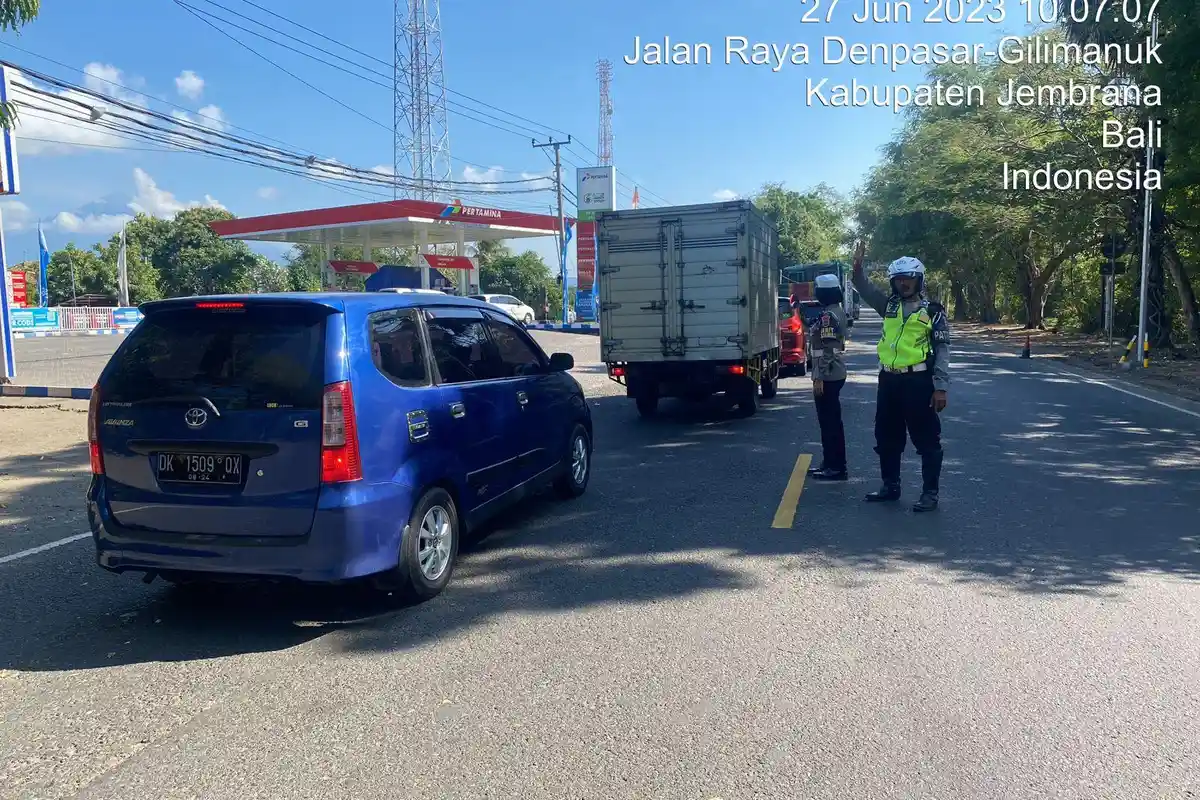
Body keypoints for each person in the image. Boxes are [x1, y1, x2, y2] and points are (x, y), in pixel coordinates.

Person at [850, 243, 950, 512]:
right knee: (886, 436)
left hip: (918, 382)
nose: (904, 284)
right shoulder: (889, 306)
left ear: (920, 280)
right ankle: (890, 486)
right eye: (899, 280)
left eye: (909, 279)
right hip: (889, 381)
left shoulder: (933, 312)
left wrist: (940, 387)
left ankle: (930, 493)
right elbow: (866, 289)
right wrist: (857, 270)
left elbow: (942, 351)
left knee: (927, 439)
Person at [807, 273, 849, 482]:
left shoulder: (829, 316)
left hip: (828, 374)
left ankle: (836, 466)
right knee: (829, 421)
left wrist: (819, 377)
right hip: (832, 373)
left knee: (830, 422)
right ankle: (830, 462)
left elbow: (829, 349)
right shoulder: (834, 312)